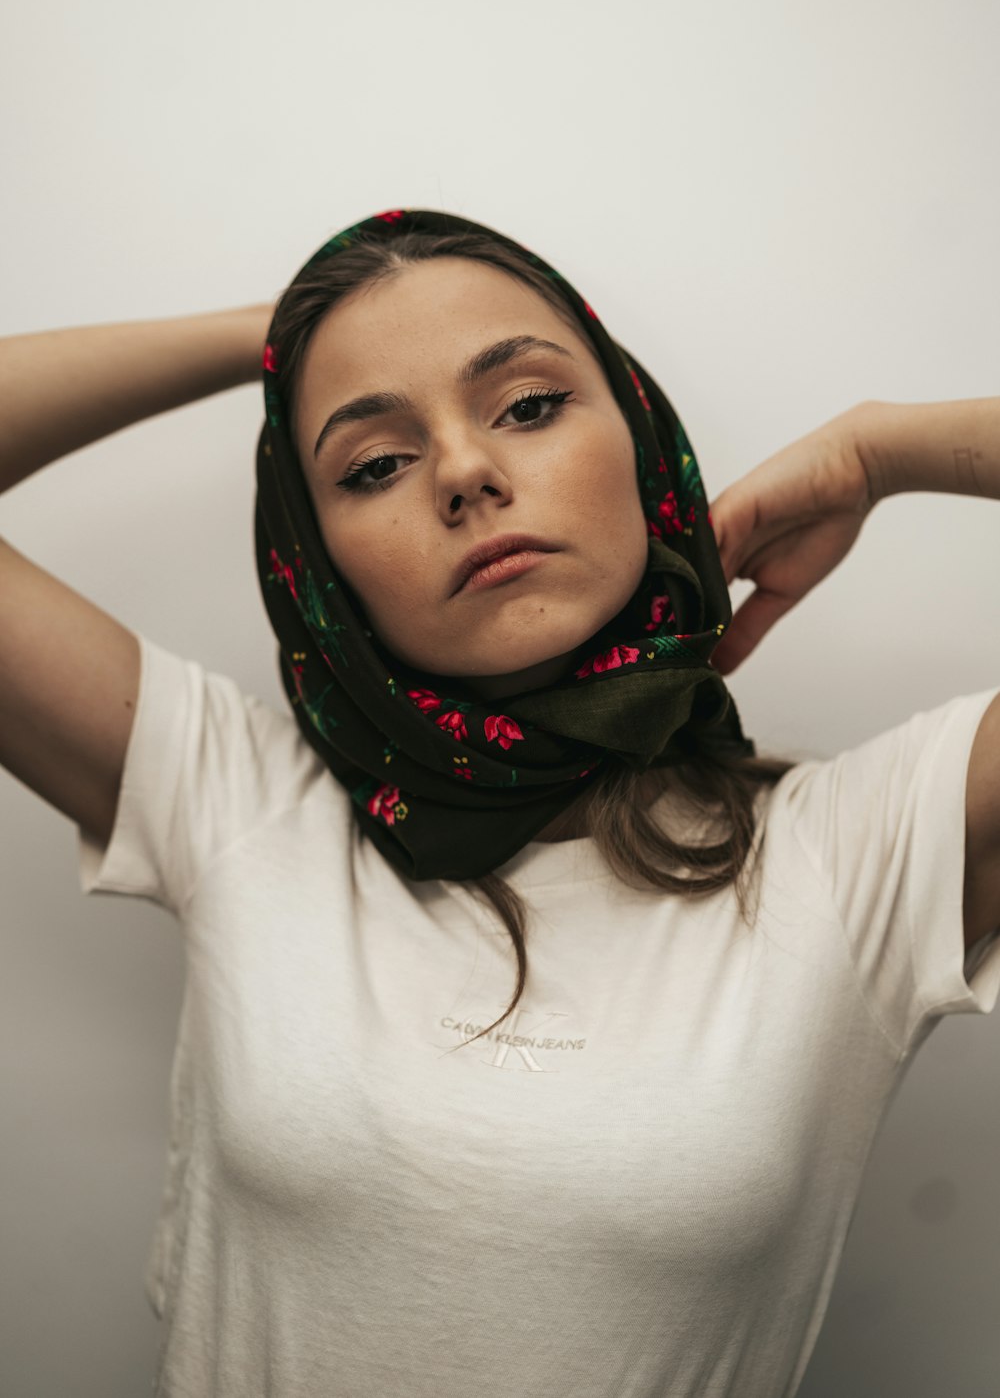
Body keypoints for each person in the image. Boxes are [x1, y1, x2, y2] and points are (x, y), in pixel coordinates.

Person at [1, 206, 998, 1398]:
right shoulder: (238, 798)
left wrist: (876, 453)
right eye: (374, 462)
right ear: (317, 566)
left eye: (526, 405)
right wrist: (277, 335)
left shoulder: (869, 848)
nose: (468, 472)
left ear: (640, 443)